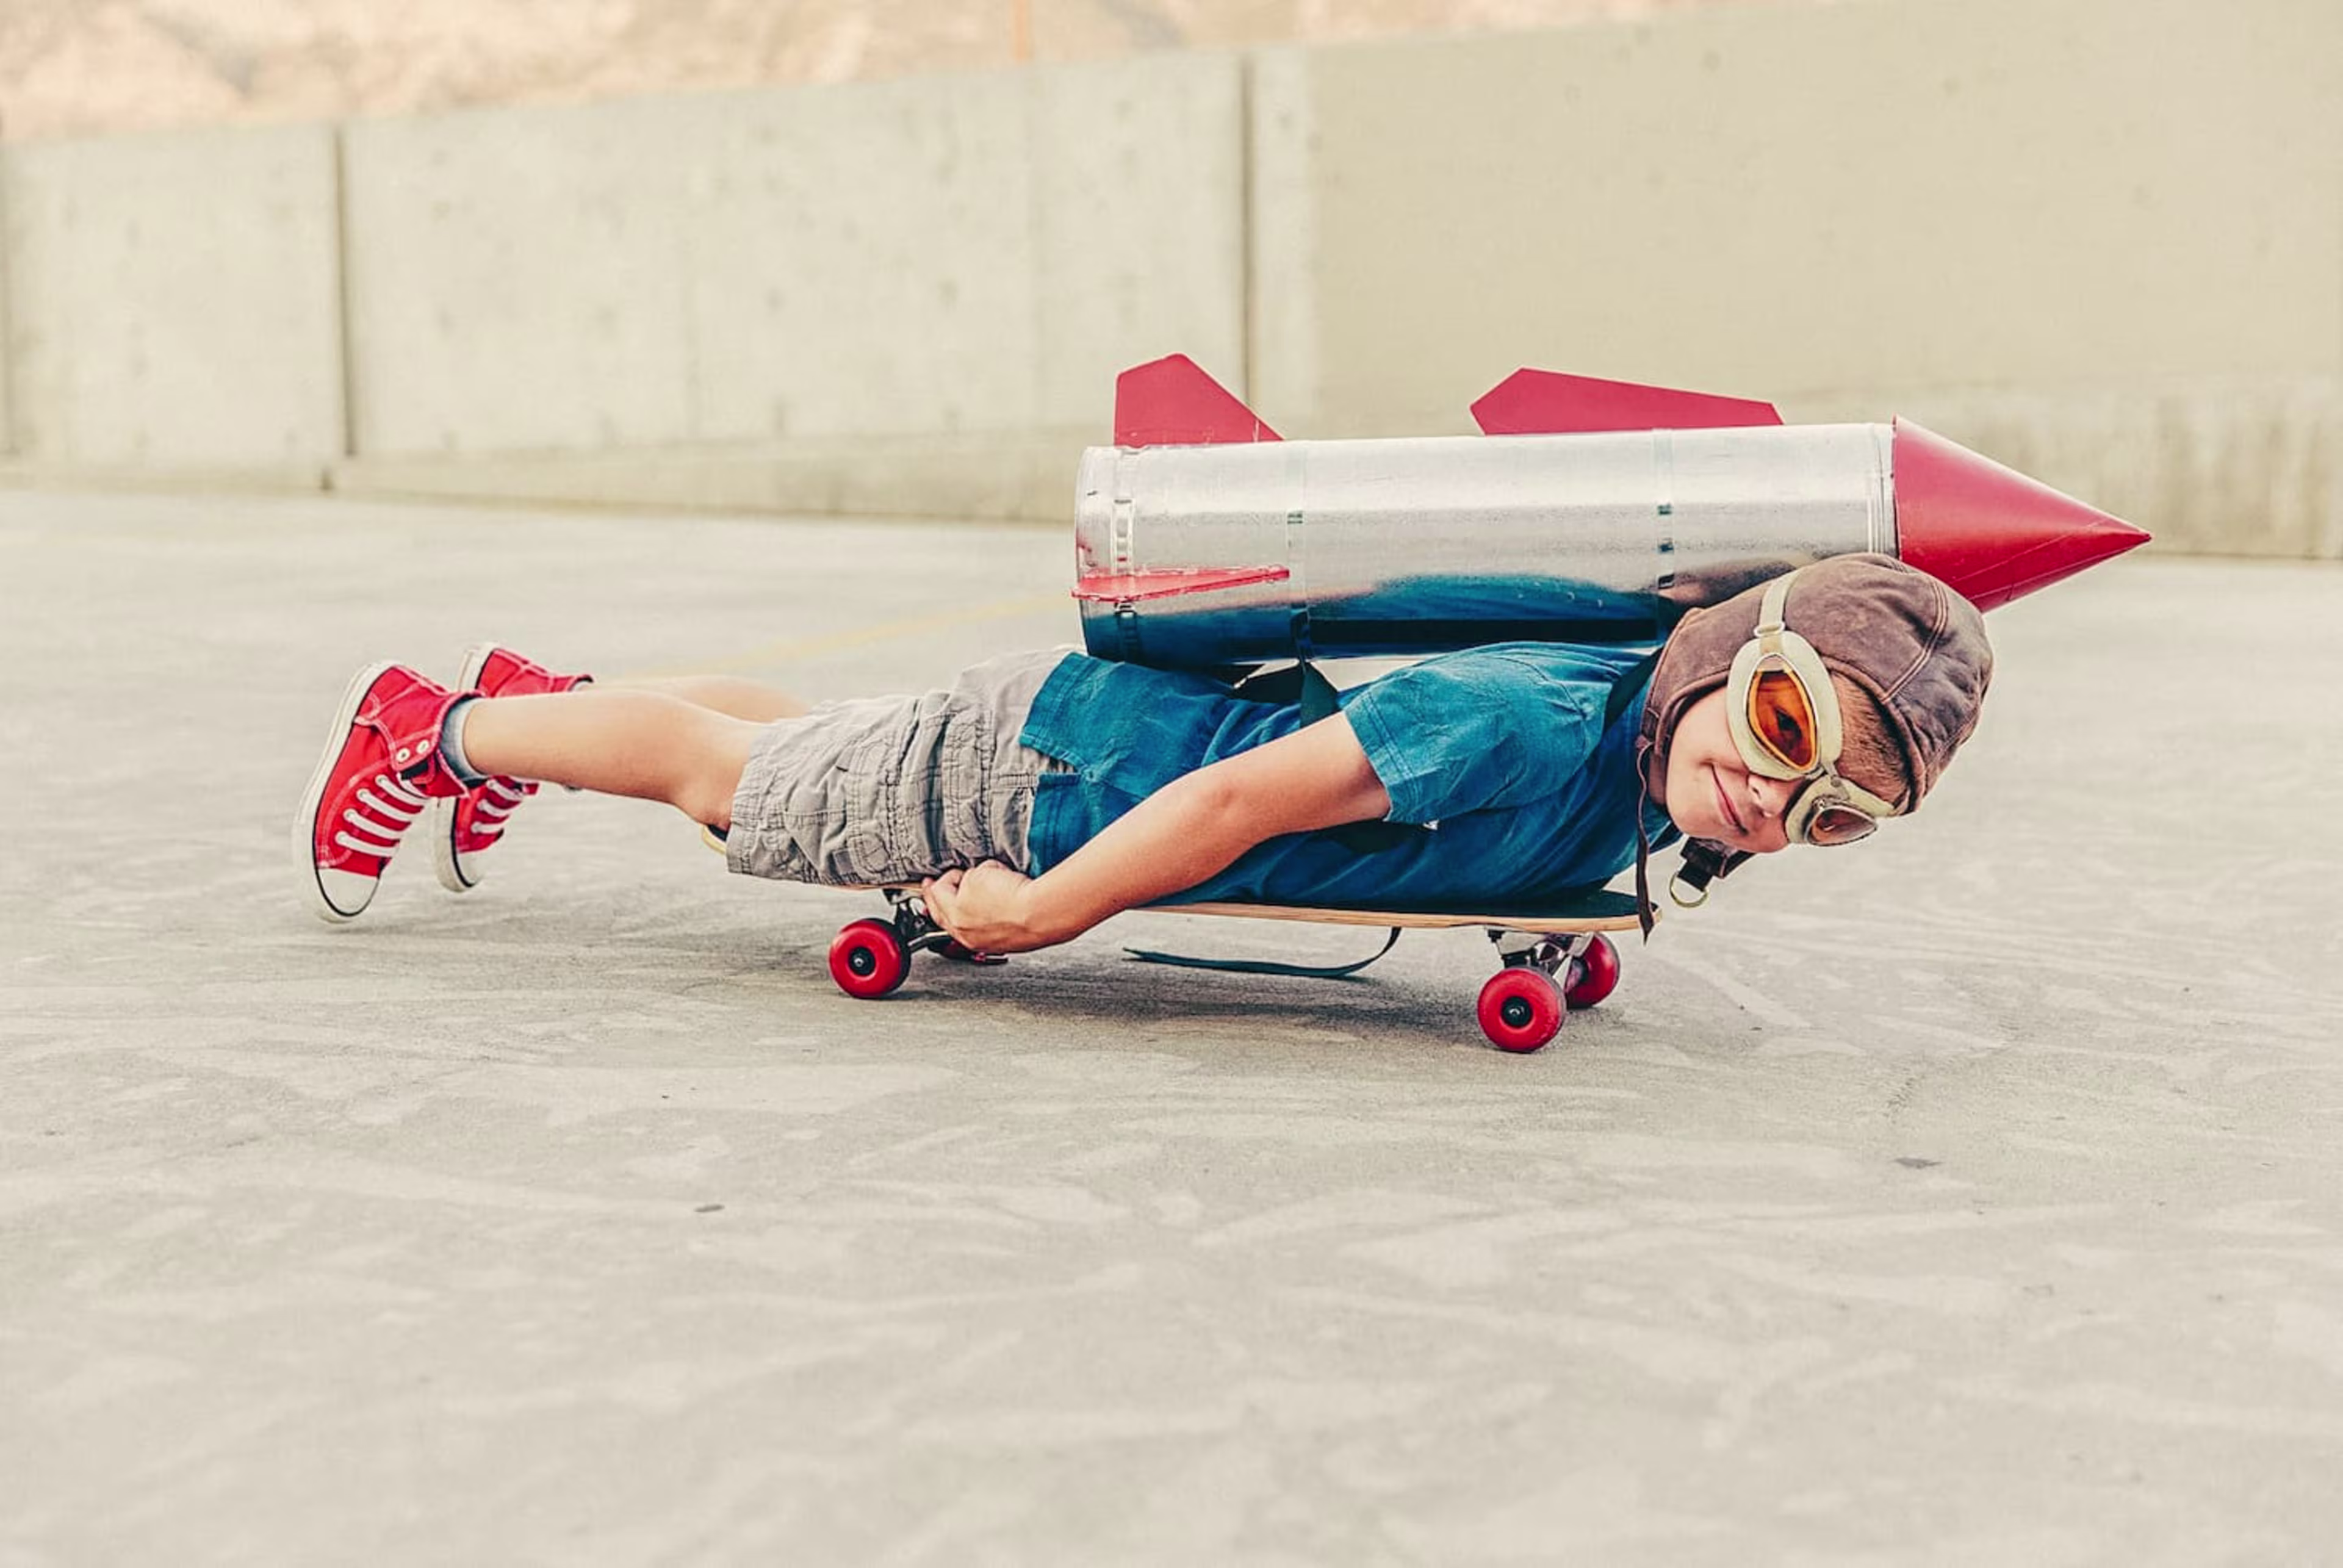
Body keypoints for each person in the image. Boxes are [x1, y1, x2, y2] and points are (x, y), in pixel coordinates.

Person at [292, 552, 1991, 952]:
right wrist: (1034, 914)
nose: (1778, 799)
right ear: (1722, 657)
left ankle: (531, 701)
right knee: (721, 780)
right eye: (1786, 730)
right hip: (1059, 786)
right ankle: (436, 730)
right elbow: (1245, 801)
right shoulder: (1527, 723)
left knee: (799, 742)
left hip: (1076, 749)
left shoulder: (1634, 742)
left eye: (1831, 814)